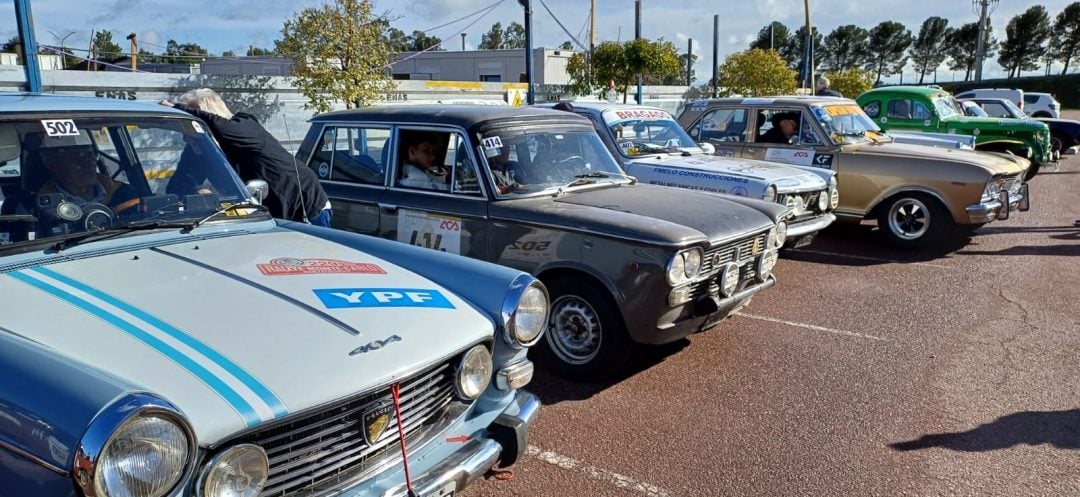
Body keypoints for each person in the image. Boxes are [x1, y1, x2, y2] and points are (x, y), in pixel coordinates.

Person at [160, 89, 332, 226]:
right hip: (263, 216)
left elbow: (222, 127)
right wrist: (197, 191)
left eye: (191, 128)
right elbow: (176, 187)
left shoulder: (245, 126)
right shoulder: (199, 148)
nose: (185, 137)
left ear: (208, 118)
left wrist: (179, 109)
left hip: (305, 209)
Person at [38, 143, 139, 212]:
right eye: (76, 159)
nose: (88, 163)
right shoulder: (42, 206)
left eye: (90, 156)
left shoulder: (124, 193)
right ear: (55, 167)